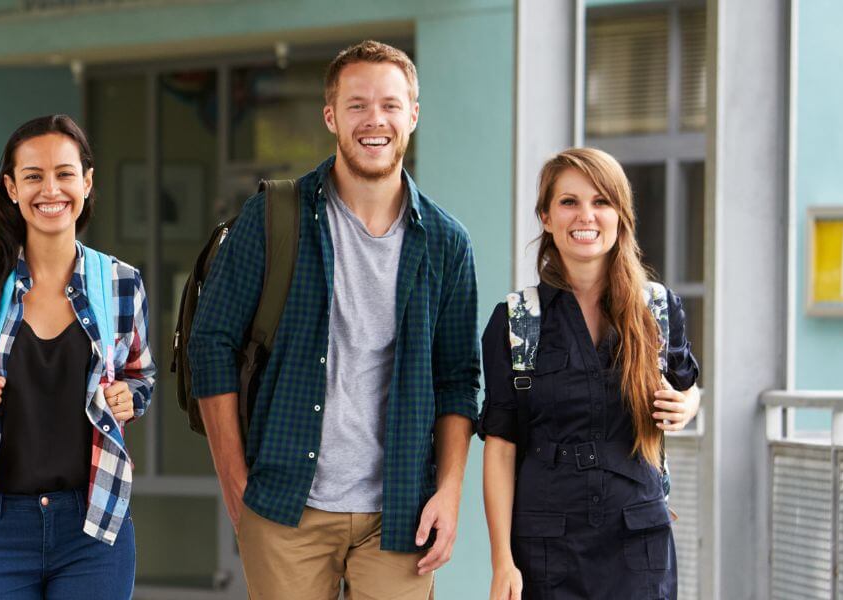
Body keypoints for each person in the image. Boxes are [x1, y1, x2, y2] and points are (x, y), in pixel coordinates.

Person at [185, 40, 481, 599]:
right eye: (357, 105)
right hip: (286, 505)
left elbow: (458, 380)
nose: (375, 120)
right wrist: (234, 482)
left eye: (391, 105)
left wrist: (449, 492)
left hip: (400, 513)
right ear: (331, 116)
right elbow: (211, 344)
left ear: (413, 115)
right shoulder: (274, 217)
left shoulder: (447, 243)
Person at [0, 114, 155, 599]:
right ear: (11, 187)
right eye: (33, 176)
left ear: (87, 183)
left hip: (94, 522)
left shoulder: (120, 282)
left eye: (65, 174)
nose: (51, 189)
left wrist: (131, 395)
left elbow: (140, 373)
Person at [482, 147, 701, 600]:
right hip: (546, 544)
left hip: (638, 539)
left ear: (620, 216)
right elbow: (501, 448)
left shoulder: (656, 308)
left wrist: (687, 404)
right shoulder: (516, 321)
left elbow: (687, 385)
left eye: (602, 201)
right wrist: (501, 560)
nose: (586, 215)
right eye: (569, 202)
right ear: (546, 216)